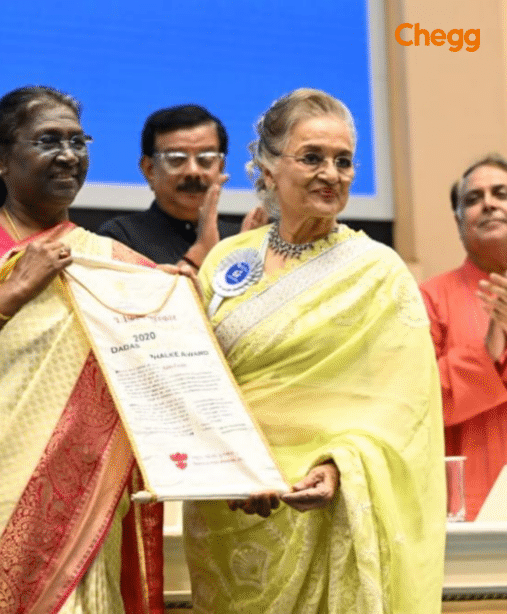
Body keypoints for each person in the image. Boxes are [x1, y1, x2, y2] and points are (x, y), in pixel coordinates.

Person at [0, 85, 168, 614]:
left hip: (80, 494)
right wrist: (16, 289)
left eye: (78, 141)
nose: (69, 155)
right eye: (48, 141)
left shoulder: (109, 260)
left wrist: (177, 294)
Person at [185, 88, 444, 613]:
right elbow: (198, 380)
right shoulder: (225, 262)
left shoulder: (378, 271)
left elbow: (407, 408)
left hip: (323, 511)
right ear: (269, 166)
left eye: (343, 161)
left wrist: (342, 467)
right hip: (229, 510)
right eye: (312, 157)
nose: (332, 173)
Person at [421, 154, 507, 521]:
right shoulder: (430, 298)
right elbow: (417, 401)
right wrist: (487, 353)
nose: (488, 203)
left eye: (500, 193)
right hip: (469, 511)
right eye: (473, 199)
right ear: (458, 223)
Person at [98, 104, 264, 266]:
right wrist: (201, 253)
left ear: (220, 167)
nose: (193, 171)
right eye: (176, 159)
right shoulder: (119, 238)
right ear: (149, 170)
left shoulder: (242, 238)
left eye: (206, 158)